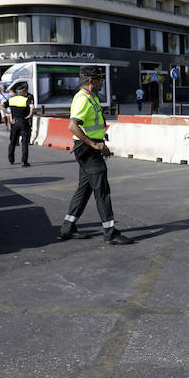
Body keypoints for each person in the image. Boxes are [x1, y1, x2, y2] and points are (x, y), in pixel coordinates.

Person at [58, 66, 132, 245]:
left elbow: (94, 126)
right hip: (88, 151)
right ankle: (110, 232)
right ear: (91, 80)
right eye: (99, 78)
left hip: (91, 149)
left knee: (84, 190)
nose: (102, 81)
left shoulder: (91, 98)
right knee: (102, 191)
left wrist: (101, 143)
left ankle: (67, 227)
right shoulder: (83, 99)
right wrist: (94, 144)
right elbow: (72, 126)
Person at [4, 81, 34, 167]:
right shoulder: (26, 99)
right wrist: (30, 114)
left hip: (14, 122)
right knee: (24, 142)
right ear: (23, 92)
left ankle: (11, 159)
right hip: (23, 122)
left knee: (12, 142)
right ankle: (24, 161)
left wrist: (7, 112)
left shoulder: (11, 99)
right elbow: (32, 107)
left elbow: (1, 106)